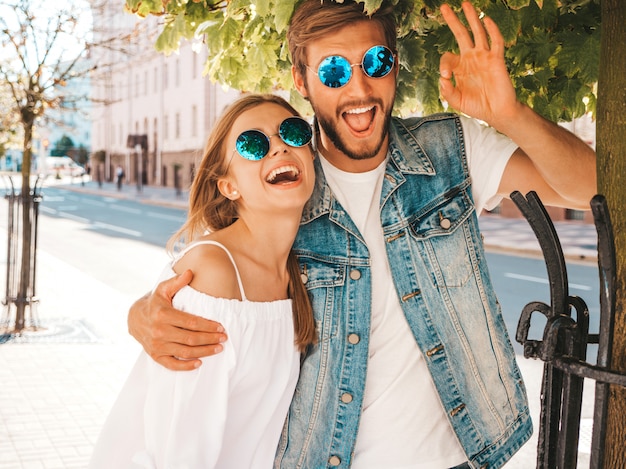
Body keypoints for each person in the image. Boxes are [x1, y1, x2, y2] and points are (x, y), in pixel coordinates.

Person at [126, 1, 597, 468]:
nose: (358, 87)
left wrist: (509, 113)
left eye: (376, 62)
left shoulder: (451, 148)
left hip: (468, 454)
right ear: (301, 79)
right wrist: (141, 314)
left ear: (394, 67)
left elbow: (590, 188)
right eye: (333, 71)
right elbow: (217, 275)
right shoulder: (285, 187)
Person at [89, 94, 317, 468]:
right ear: (229, 187)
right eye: (253, 144)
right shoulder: (213, 274)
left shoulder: (300, 268)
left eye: (292, 133)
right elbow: (179, 451)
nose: (277, 147)